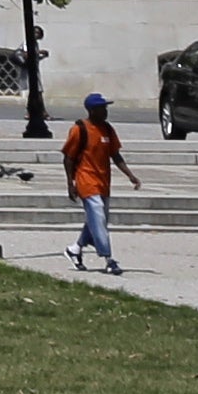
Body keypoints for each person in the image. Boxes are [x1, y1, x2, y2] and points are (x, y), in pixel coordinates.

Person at [61, 90, 139, 272]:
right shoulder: (79, 129)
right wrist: (70, 184)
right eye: (102, 108)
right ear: (92, 110)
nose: (106, 111)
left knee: (96, 220)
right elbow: (68, 158)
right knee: (98, 218)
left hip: (103, 182)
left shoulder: (108, 129)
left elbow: (115, 155)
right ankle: (109, 259)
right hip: (86, 180)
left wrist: (130, 175)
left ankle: (75, 249)